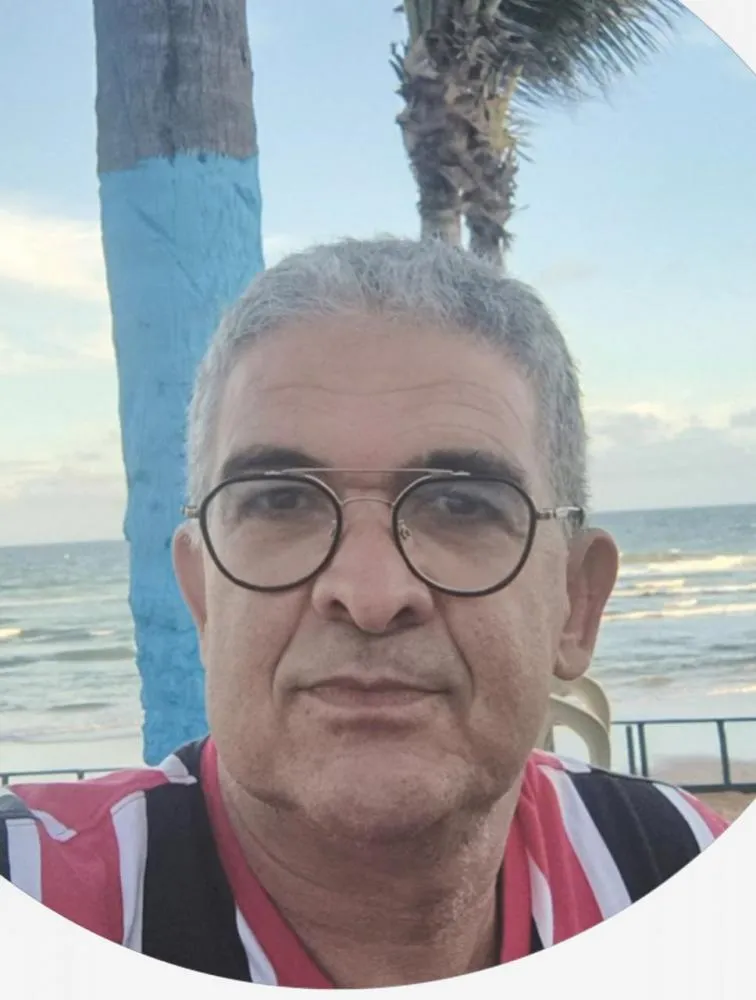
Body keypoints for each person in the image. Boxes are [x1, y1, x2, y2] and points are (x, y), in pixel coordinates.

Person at [0, 238, 728, 988]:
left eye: (460, 505)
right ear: (203, 597)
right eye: (281, 501)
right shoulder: (37, 892)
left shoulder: (682, 874)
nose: (372, 596)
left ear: (575, 605)